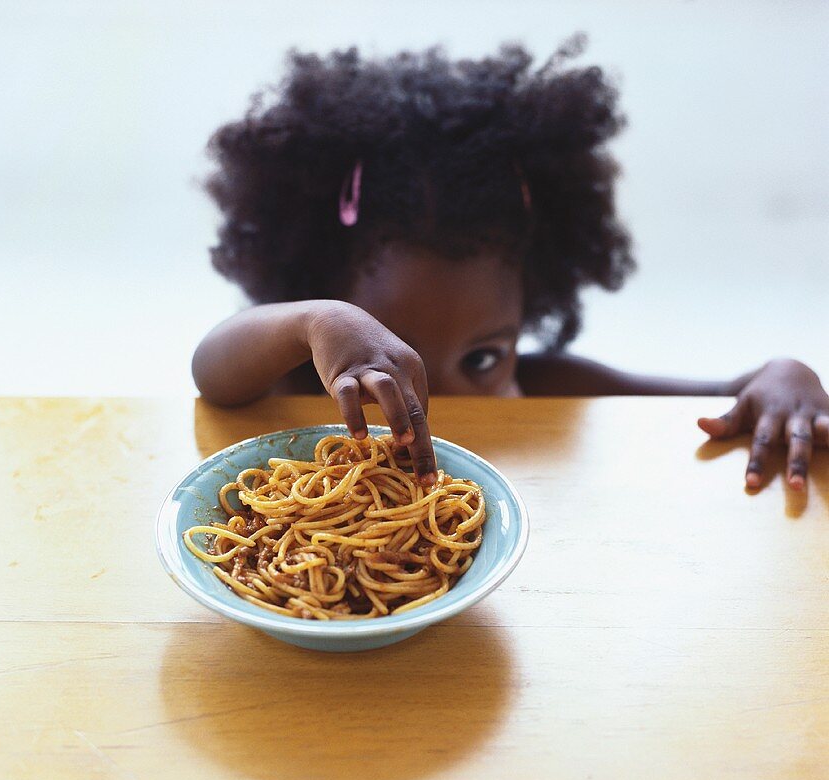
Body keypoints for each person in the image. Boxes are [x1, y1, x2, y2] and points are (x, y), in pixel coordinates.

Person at [192, 41, 828, 490]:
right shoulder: (307, 391)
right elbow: (212, 371)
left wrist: (785, 376)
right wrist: (317, 322)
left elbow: (726, 397)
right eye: (389, 352)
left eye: (482, 360)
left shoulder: (545, 390)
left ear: (527, 304)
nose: (430, 401)